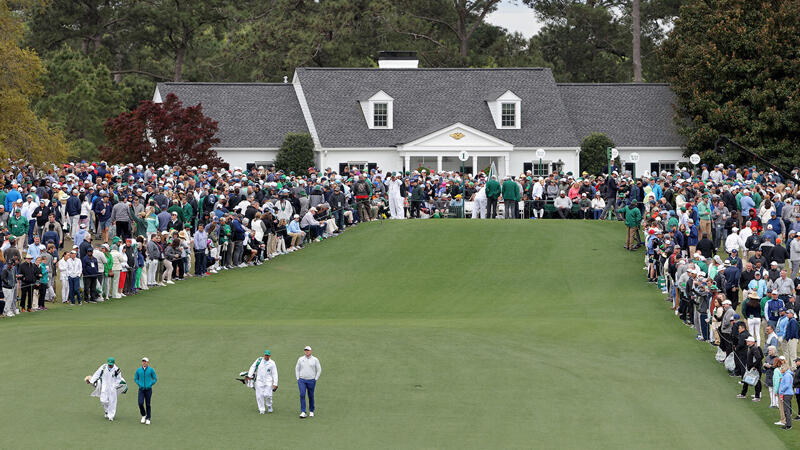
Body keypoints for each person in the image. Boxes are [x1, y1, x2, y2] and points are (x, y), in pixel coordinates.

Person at [87, 357, 124, 421]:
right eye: (109, 364)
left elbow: (119, 379)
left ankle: (111, 416)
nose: (109, 365)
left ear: (113, 363)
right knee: (103, 400)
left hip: (112, 388)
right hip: (104, 387)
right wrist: (91, 381)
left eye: (111, 364)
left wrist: (114, 386)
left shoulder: (117, 370)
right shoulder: (103, 367)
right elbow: (97, 374)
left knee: (112, 402)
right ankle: (107, 411)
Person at [247, 350, 279, 414]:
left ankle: (269, 406)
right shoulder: (259, 360)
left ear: (270, 356)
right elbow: (253, 367)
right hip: (259, 381)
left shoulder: (272, 363)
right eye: (265, 355)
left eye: (267, 355)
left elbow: (275, 373)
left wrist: (275, 383)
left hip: (268, 381)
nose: (266, 356)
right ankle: (262, 409)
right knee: (259, 395)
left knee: (268, 395)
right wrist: (249, 376)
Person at [296, 345, 322, 418]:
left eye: (308, 350)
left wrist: (315, 378)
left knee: (310, 395)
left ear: (311, 351)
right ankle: (303, 411)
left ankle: (311, 411)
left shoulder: (315, 359)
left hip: (311, 380)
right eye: (305, 350)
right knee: (302, 394)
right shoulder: (300, 359)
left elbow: (319, 369)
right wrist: (298, 378)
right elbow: (297, 368)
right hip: (302, 380)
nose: (306, 352)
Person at [737, 336, 762, 401]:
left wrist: (754, 366)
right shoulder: (751, 348)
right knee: (746, 380)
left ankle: (757, 397)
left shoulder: (754, 348)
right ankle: (743, 394)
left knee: (757, 382)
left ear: (752, 342)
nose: (747, 342)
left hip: (754, 369)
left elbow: (759, 358)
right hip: (750, 368)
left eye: (748, 341)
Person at [134, 357, 157, 425]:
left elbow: (155, 379)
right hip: (141, 389)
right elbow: (136, 378)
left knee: (148, 404)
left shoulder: (151, 370)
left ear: (148, 362)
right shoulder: (138, 370)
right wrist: (139, 383)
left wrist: (150, 384)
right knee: (140, 403)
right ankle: (143, 415)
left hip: (148, 390)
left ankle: (148, 418)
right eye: (143, 361)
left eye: (145, 361)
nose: (144, 362)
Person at [779, 362, 795, 430]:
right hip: (787, 393)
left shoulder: (787, 375)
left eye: (782, 368)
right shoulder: (786, 374)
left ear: (785, 368)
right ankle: (787, 424)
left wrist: (781, 391)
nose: (781, 369)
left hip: (787, 394)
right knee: (786, 410)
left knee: (786, 410)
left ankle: (788, 425)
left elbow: (787, 385)